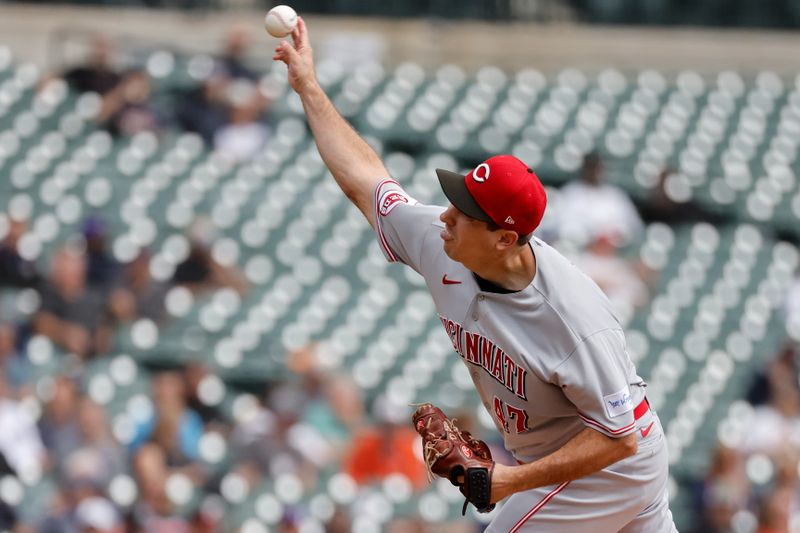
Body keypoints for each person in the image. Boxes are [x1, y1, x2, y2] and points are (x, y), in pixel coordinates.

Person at [273, 18, 677, 532]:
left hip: (612, 467)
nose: (445, 216)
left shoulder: (573, 315)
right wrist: (309, 86)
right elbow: (367, 183)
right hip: (585, 456)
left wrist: (510, 480)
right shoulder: (445, 243)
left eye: (464, 213)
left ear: (505, 239)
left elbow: (620, 438)